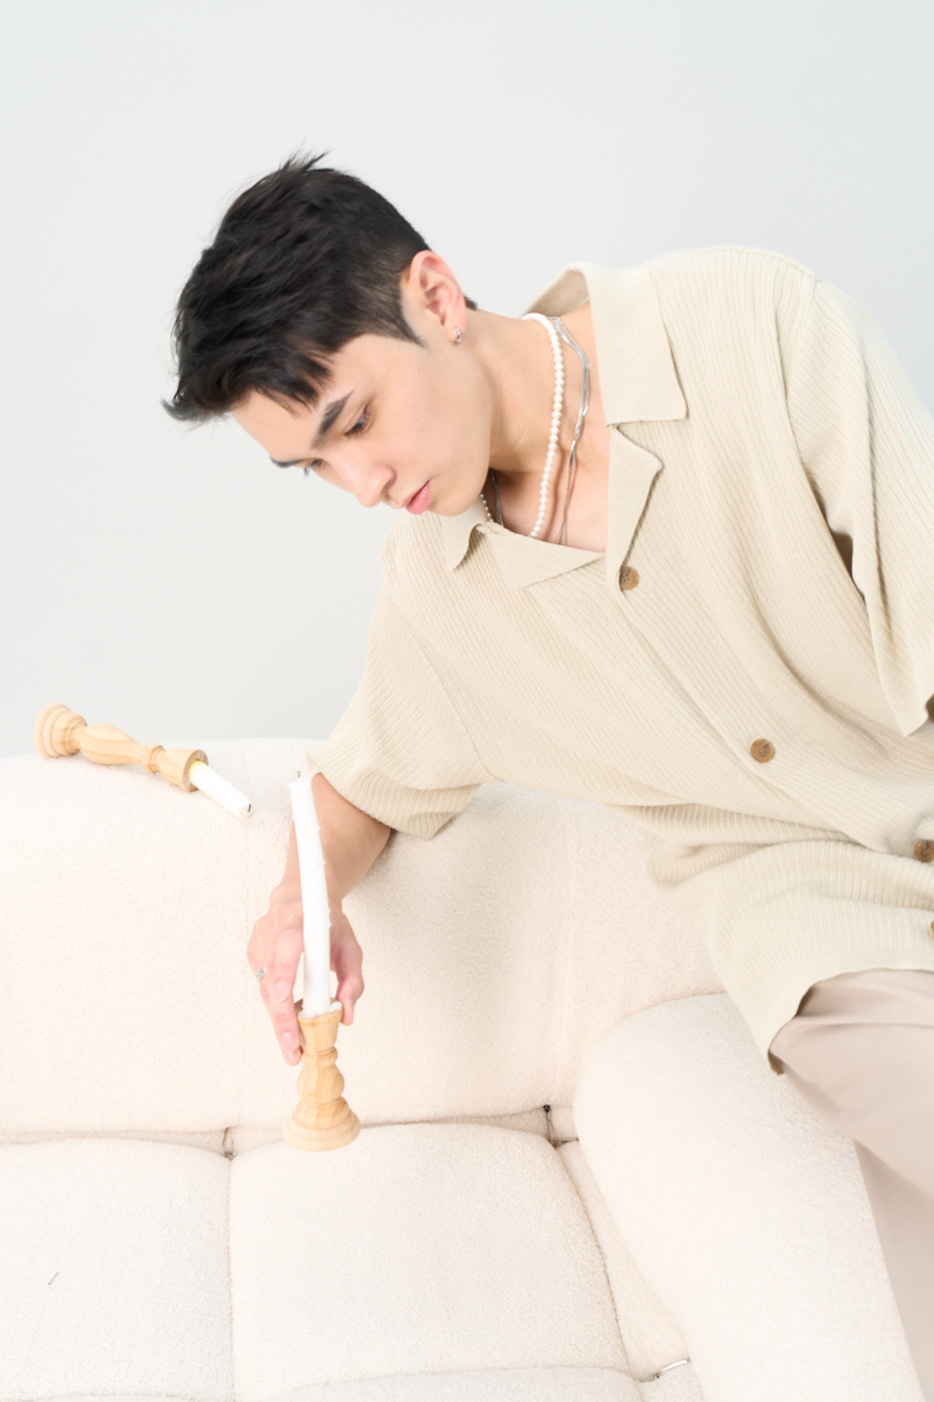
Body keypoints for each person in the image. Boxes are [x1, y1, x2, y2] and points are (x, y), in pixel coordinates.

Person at [166, 154, 934, 1395]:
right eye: (313, 468)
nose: (361, 487)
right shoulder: (441, 599)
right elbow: (359, 786)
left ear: (434, 295)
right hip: (828, 941)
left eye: (352, 423)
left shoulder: (753, 326)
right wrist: (303, 899)